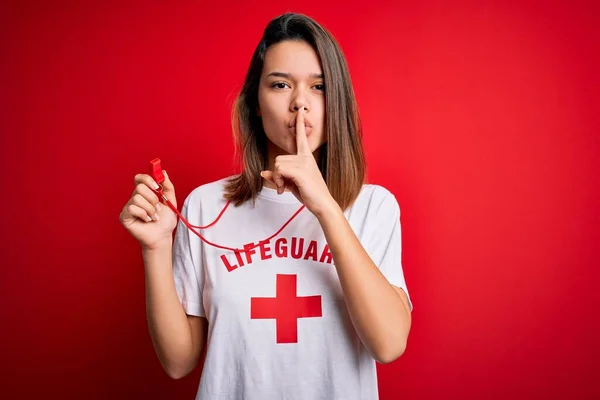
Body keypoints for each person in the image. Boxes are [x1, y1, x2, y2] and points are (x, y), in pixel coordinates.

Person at [119, 12, 413, 400]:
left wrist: (324, 205)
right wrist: (156, 247)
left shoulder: (374, 206)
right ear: (255, 102)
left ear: (337, 99)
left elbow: (389, 344)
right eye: (280, 84)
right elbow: (178, 361)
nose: (300, 104)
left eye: (319, 86)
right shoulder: (206, 206)